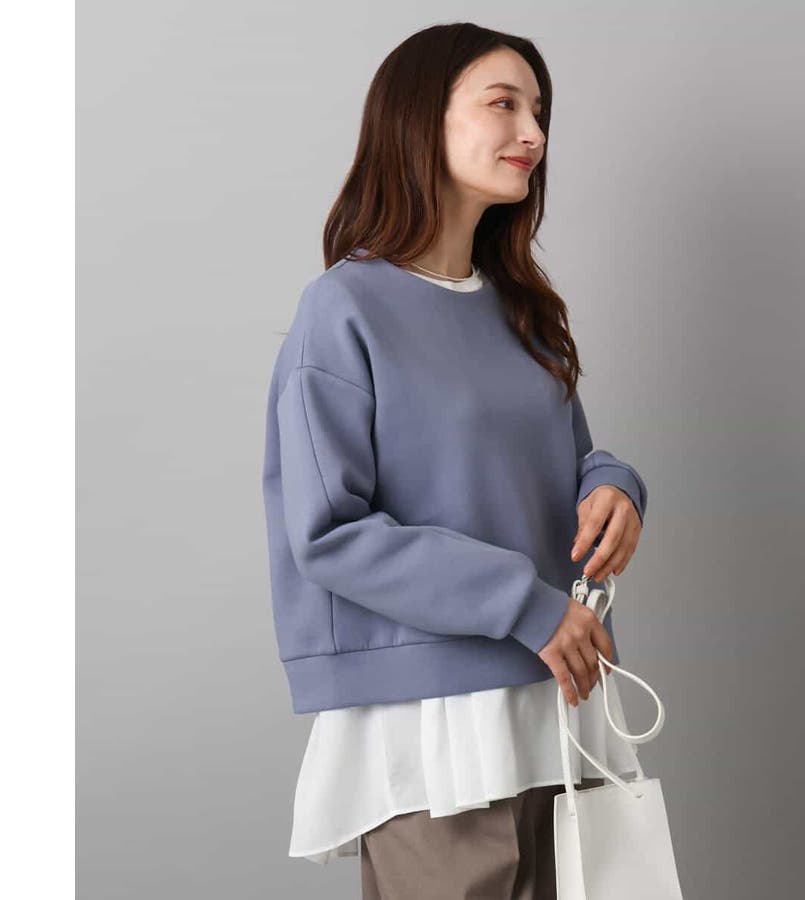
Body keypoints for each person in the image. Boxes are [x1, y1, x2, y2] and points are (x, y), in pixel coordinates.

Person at [261, 22, 648, 899]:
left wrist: (614, 484)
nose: (533, 134)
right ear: (417, 120)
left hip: (555, 697)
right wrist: (525, 604)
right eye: (503, 104)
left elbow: (565, 460)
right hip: (435, 719)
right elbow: (329, 532)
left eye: (539, 111)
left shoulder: (522, 309)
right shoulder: (344, 309)